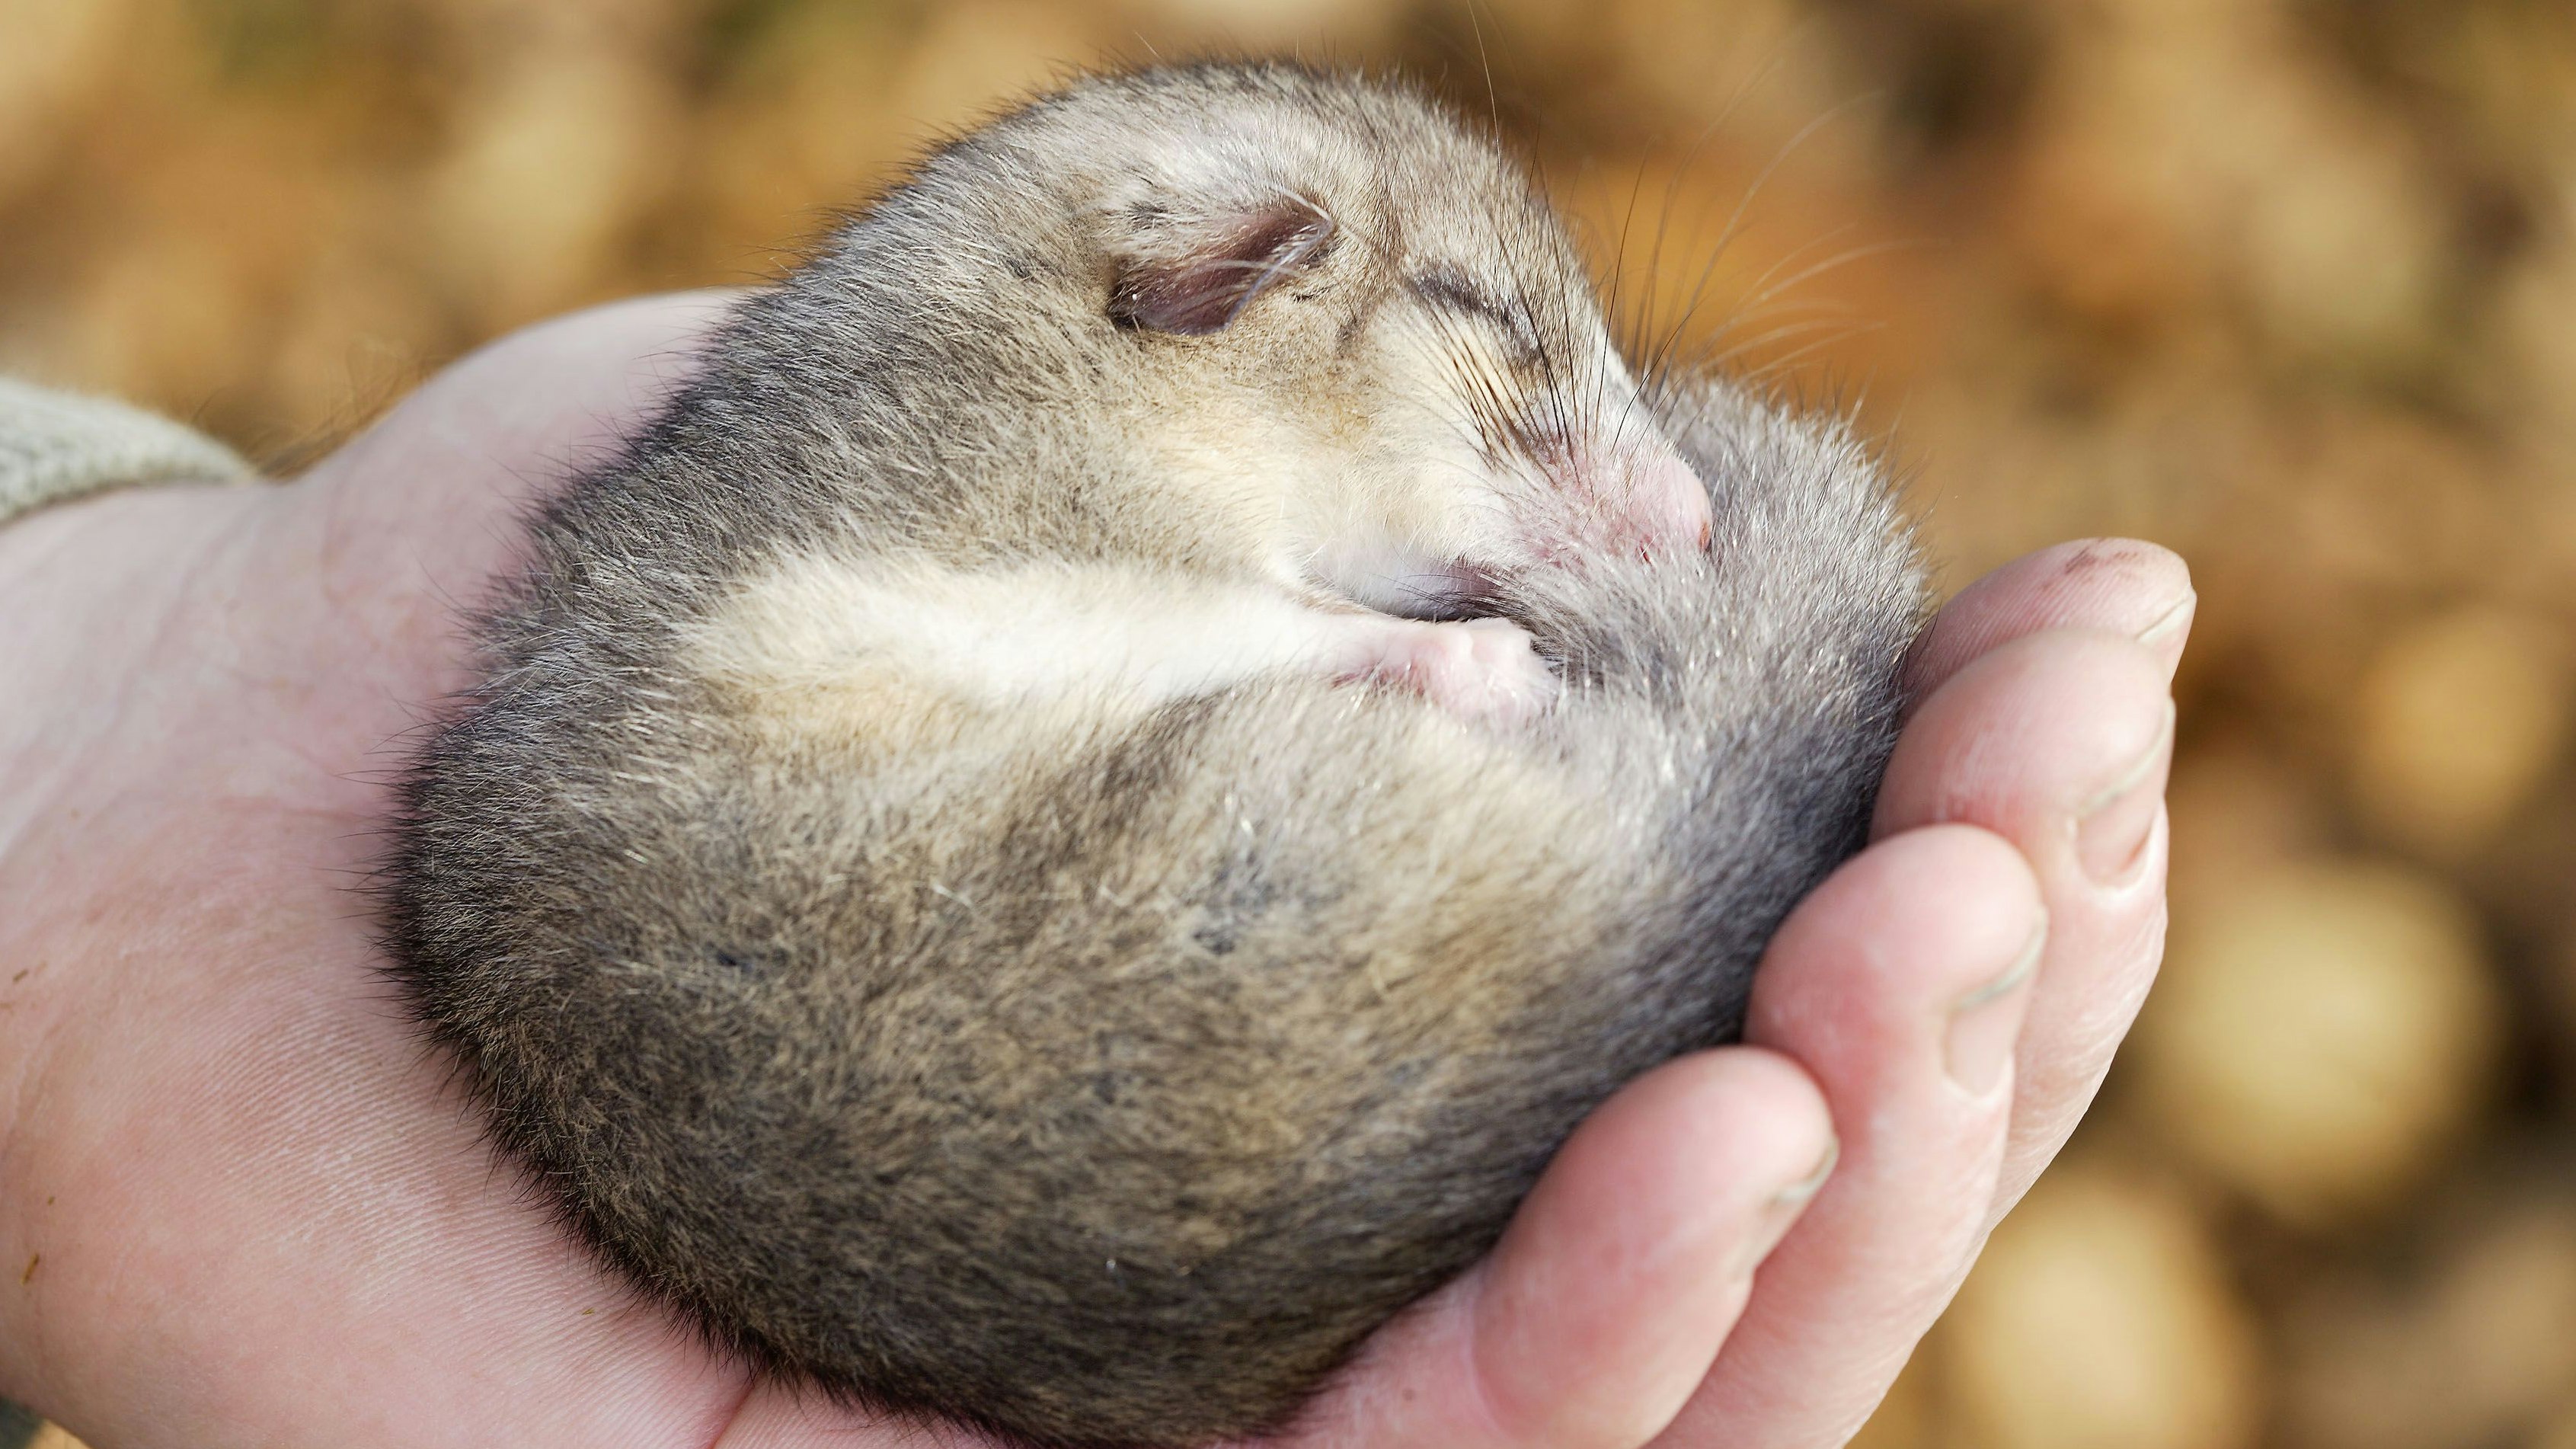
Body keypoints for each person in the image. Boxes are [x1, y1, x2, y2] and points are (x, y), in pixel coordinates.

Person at [0, 291, 2188, 1449]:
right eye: (1526, 374)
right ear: (1202, 283)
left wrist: (82, 678)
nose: (1668, 494)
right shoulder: (952, 483)